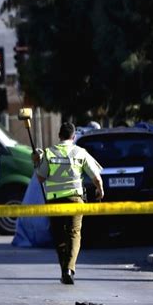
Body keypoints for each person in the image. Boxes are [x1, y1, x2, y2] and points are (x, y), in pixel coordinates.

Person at [33, 122, 104, 285]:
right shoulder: (80, 152)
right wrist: (100, 190)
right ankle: (69, 269)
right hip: (74, 199)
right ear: (74, 137)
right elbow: (96, 177)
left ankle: (64, 269)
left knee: (59, 235)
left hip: (54, 201)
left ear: (59, 136)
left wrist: (37, 163)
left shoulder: (49, 153)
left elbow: (40, 178)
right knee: (74, 233)